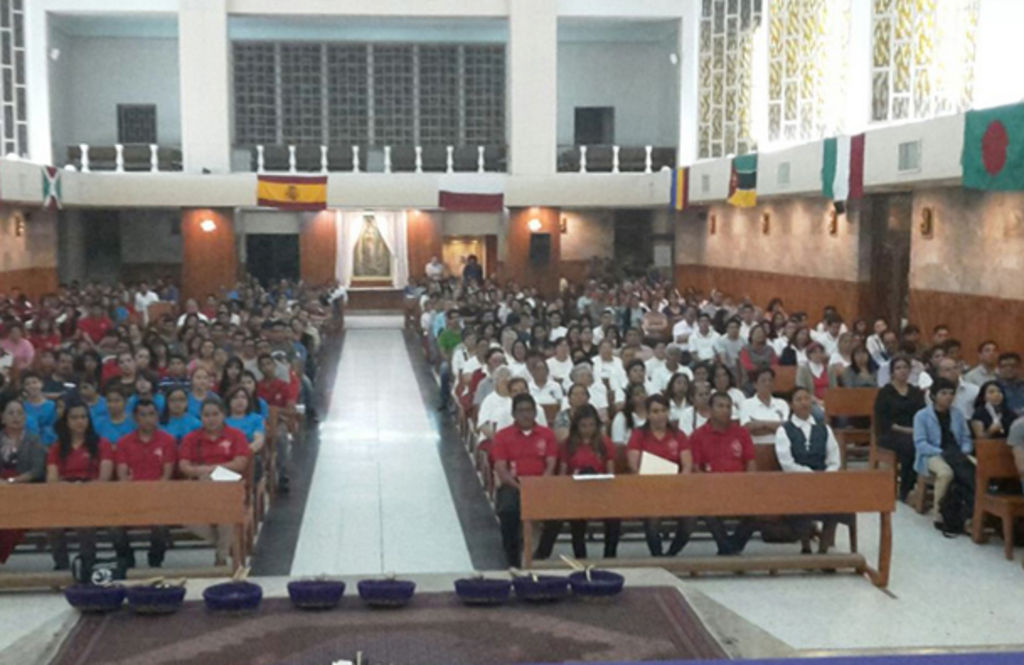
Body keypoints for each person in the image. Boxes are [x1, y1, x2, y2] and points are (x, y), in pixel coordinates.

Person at [534, 405, 620, 560]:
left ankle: (610, 556)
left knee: (614, 517)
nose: (588, 429)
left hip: (600, 492)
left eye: (591, 425)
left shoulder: (605, 443)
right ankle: (580, 557)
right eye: (583, 426)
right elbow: (563, 474)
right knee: (574, 518)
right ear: (576, 426)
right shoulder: (568, 445)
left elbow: (610, 473)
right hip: (574, 493)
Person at [179, 397, 252, 566]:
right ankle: (224, 545)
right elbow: (184, 465)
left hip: (229, 482)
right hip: (200, 484)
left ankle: (221, 556)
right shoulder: (192, 438)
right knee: (184, 516)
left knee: (225, 509)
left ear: (223, 415)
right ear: (201, 417)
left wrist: (213, 470)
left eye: (215, 414)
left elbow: (240, 463)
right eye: (206, 415)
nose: (211, 419)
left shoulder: (236, 435)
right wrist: (203, 472)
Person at [492, 393, 558, 567]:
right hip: (514, 484)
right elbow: (501, 468)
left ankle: (541, 554)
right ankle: (512, 559)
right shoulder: (502, 436)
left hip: (541, 484)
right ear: (513, 414)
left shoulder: (547, 434)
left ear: (535, 412)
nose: (525, 415)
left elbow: (551, 463)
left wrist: (540, 484)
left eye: (529, 410)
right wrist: (519, 487)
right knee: (508, 511)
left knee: (557, 514)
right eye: (520, 411)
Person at [774, 387, 843, 553]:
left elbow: (834, 459)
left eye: (806, 399)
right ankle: (806, 546)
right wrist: (810, 476)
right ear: (791, 405)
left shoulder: (824, 429)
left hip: (824, 481)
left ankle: (824, 548)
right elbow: (787, 463)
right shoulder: (784, 430)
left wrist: (826, 476)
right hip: (797, 481)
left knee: (836, 500)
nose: (803, 403)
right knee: (801, 498)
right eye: (798, 400)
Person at [46, 403, 115, 570]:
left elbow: (104, 478)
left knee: (85, 524)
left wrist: (84, 488)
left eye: (83, 417)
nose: (79, 421)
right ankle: (62, 566)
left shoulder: (102, 444)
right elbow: (52, 479)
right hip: (65, 496)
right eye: (74, 417)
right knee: (52, 526)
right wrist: (68, 488)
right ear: (66, 421)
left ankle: (87, 566)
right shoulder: (57, 447)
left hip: (93, 495)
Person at [688, 392, 758, 555]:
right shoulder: (698, 435)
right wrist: (709, 486)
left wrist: (750, 484)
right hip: (710, 489)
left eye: (728, 407)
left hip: (740, 487)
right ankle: (728, 547)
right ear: (710, 410)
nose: (725, 410)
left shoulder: (741, 433)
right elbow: (696, 467)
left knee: (759, 509)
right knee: (706, 507)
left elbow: (751, 462)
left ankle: (728, 547)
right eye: (720, 406)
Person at [112, 399, 177, 568]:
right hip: (130, 497)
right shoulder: (124, 442)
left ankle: (155, 561)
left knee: (161, 524)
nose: (148, 419)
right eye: (143, 415)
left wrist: (152, 496)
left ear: (157, 416)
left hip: (159, 497)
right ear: (135, 418)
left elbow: (166, 475)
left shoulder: (168, 441)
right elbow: (122, 475)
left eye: (151, 414)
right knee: (114, 524)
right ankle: (126, 559)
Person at [626, 395, 694, 556]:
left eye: (664, 410)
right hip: (648, 490)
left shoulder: (678, 435)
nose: (660, 415)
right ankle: (657, 556)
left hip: (675, 489)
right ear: (648, 414)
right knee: (652, 519)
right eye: (655, 411)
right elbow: (633, 466)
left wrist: (678, 483)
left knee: (690, 520)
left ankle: (670, 555)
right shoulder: (639, 434)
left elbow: (687, 465)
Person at [913, 378, 974, 527]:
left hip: (957, 454)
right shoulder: (922, 416)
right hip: (932, 454)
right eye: (944, 393)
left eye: (951, 393)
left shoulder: (957, 414)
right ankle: (939, 513)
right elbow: (921, 444)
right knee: (946, 473)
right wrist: (942, 452)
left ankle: (972, 512)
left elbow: (966, 438)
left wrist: (964, 450)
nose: (948, 397)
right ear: (934, 395)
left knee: (978, 469)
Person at [0, 400, 47, 562]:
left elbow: (37, 470)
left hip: (25, 491)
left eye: (20, 413)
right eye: (11, 413)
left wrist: (12, 481)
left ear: (25, 417)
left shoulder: (34, 440)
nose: (16, 417)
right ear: (2, 417)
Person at [874, 355, 926, 501]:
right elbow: (883, 420)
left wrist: (917, 430)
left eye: (905, 367)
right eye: (898, 368)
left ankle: (920, 485)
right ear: (892, 372)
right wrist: (907, 430)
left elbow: (922, 414)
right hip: (891, 433)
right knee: (910, 445)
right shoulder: (885, 392)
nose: (902, 371)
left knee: (920, 443)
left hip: (914, 431)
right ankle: (905, 489)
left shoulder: (916, 392)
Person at [740, 368, 790, 445]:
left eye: (770, 380)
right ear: (755, 385)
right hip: (756, 447)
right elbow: (748, 428)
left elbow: (786, 428)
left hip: (780, 446)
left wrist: (759, 423)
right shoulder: (746, 404)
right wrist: (775, 427)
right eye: (763, 381)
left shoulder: (782, 404)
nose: (767, 383)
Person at [20, 372, 57, 446]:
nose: (32, 386)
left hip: (50, 444)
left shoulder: (52, 405)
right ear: (24, 387)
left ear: (41, 384)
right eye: (27, 384)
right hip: (28, 444)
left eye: (34, 382)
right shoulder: (22, 407)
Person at [436, 311, 462, 411]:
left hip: (464, 359)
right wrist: (451, 362)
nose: (456, 320)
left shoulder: (465, 333)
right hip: (450, 360)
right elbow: (443, 353)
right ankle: (444, 399)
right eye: (453, 318)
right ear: (448, 320)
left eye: (457, 317)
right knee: (444, 370)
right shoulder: (444, 335)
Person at [997, 352, 1024, 416]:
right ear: (999, 369)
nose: (1009, 369)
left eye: (1013, 366)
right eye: (1004, 366)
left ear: (1020, 367)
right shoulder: (994, 388)